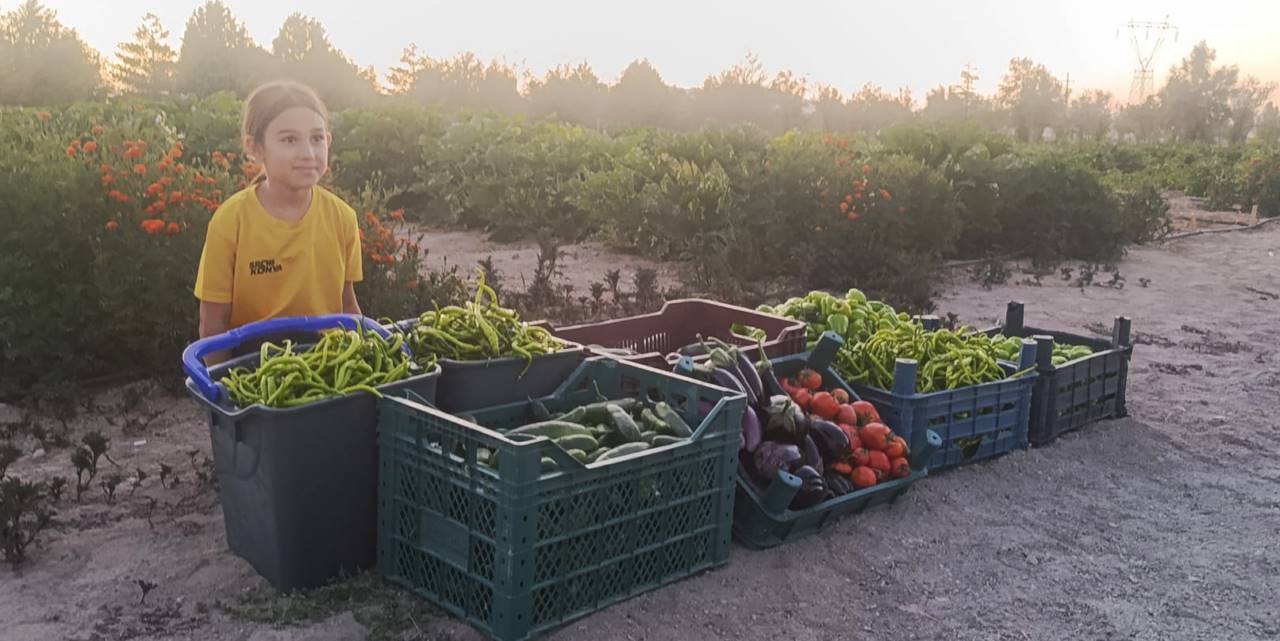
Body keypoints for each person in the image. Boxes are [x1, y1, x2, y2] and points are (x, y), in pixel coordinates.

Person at [193, 81, 363, 365]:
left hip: (330, 364)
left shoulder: (342, 217)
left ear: (329, 142)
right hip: (255, 370)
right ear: (256, 148)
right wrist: (221, 396)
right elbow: (213, 322)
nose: (308, 153)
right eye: (289, 140)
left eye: (317, 139)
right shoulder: (230, 221)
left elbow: (347, 305)